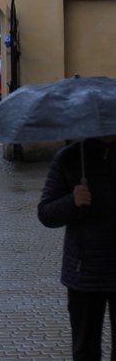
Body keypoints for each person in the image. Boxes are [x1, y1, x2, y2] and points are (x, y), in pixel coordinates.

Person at [38, 135, 116, 360]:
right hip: (85, 274)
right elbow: (46, 213)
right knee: (85, 350)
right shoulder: (70, 158)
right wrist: (72, 201)